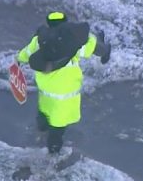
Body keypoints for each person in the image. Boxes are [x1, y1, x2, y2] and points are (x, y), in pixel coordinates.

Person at [16, 11, 111, 154]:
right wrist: (105, 51)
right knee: (58, 125)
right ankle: (53, 152)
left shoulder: (39, 40)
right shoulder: (74, 41)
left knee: (44, 111)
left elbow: (25, 54)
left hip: (46, 90)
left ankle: (42, 128)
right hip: (65, 94)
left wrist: (18, 61)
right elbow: (93, 48)